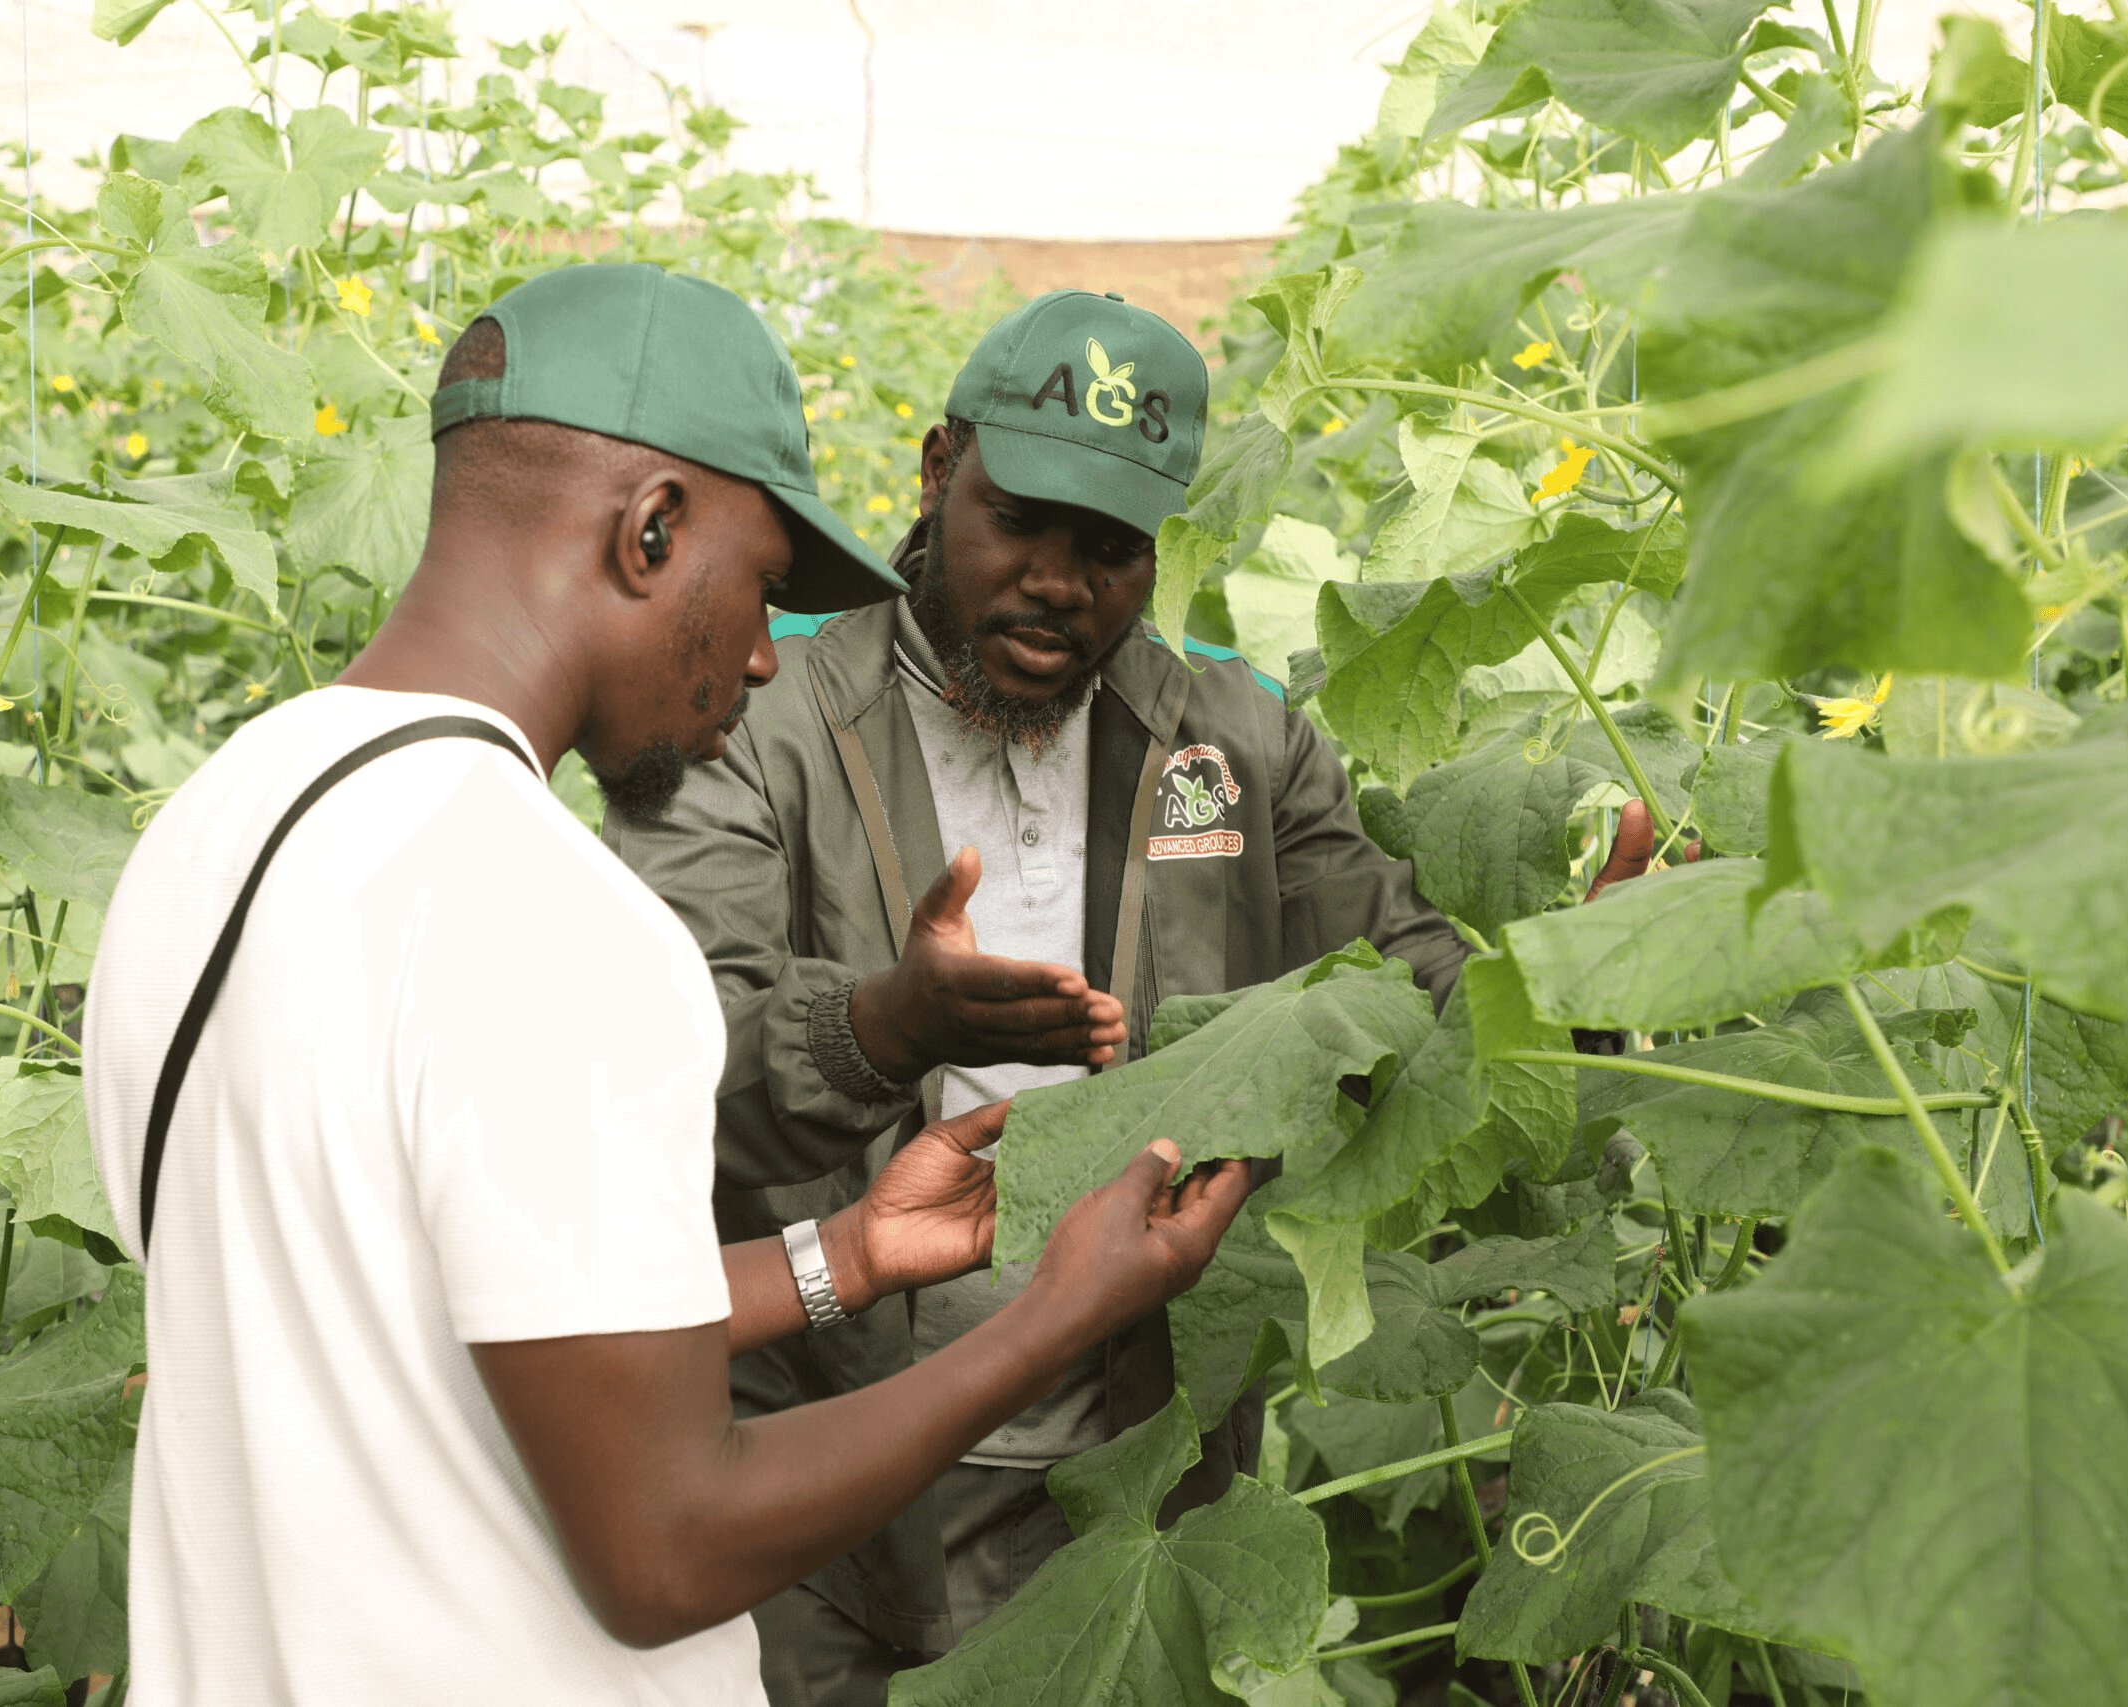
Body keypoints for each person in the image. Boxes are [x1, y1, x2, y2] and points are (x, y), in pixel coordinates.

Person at [80, 263, 1252, 1707]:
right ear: (648, 533)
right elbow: (668, 1548)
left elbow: (428, 1306)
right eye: (759, 587)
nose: (766, 656)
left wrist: (843, 1258)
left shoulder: (221, 824)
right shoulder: (552, 918)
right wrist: (1051, 1317)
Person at [604, 288, 1666, 1704]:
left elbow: (1404, 990)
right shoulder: (762, 721)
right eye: (1021, 524)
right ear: (936, 473)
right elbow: (662, 1076)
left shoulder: (1236, 747)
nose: (1060, 580)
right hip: (827, 1475)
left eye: (1109, 548)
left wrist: (1591, 971)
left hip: (1144, 1467)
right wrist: (886, 1027)